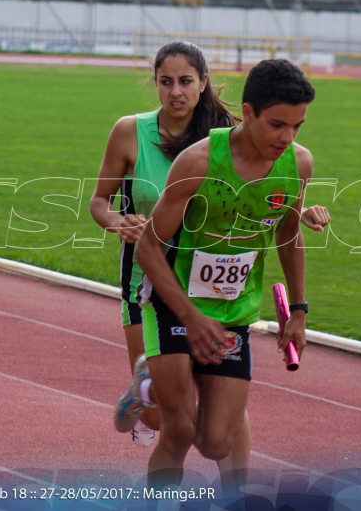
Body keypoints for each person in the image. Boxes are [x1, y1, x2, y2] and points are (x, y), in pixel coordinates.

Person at [113, 58, 317, 494]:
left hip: (231, 310)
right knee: (179, 431)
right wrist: (189, 316)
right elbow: (149, 248)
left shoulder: (297, 164)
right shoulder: (199, 161)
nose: (287, 137)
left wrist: (298, 310)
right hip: (172, 301)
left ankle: (159, 379)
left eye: (297, 126)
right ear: (247, 113)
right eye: (277, 124)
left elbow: (288, 234)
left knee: (215, 441)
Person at [90, 41, 237, 447]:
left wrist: (304, 210)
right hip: (144, 284)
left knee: (203, 413)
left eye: (186, 81)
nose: (176, 92)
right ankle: (142, 395)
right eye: (166, 82)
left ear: (203, 83)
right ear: (154, 84)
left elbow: (264, 187)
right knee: (162, 415)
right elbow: (98, 202)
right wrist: (119, 222)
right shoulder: (129, 132)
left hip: (206, 283)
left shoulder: (225, 137)